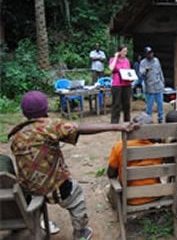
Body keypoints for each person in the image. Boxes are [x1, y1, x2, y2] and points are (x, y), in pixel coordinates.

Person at [8, 91, 136, 240]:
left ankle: (35, 223)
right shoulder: (50, 126)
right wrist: (118, 126)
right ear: (45, 109)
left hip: (29, 189)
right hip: (56, 187)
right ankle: (80, 232)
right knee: (77, 197)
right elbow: (79, 128)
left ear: (24, 113)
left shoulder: (16, 135)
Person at [107, 113, 163, 205]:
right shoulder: (160, 150)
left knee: (111, 189)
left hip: (130, 198)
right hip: (154, 195)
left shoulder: (119, 146)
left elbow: (111, 174)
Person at [140, 46, 165, 123]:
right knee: (149, 106)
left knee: (160, 104)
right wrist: (146, 70)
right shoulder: (143, 62)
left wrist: (162, 81)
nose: (150, 55)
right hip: (149, 87)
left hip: (158, 86)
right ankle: (148, 120)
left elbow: (160, 71)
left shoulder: (156, 60)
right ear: (145, 55)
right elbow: (141, 74)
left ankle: (160, 118)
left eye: (151, 53)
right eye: (148, 53)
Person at [109, 45, 133, 124]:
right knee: (116, 104)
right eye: (124, 51)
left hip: (126, 84)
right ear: (119, 51)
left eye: (126, 51)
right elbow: (111, 68)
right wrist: (116, 57)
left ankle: (127, 121)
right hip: (117, 84)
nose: (125, 53)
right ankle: (114, 122)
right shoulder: (113, 60)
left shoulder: (127, 61)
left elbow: (129, 71)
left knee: (127, 104)